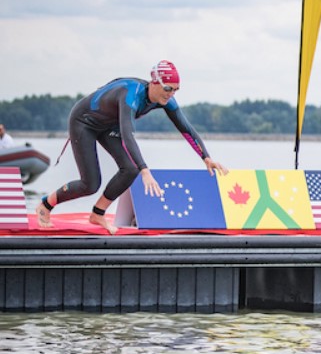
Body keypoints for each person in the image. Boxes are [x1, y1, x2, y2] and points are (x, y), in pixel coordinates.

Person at [35, 60, 228, 234]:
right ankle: (45, 205)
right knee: (90, 184)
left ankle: (97, 213)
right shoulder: (131, 94)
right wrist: (145, 170)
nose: (171, 94)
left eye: (176, 90)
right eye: (168, 88)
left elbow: (186, 128)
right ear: (154, 82)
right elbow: (127, 135)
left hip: (108, 126)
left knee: (130, 169)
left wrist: (206, 157)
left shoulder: (166, 100)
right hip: (84, 122)